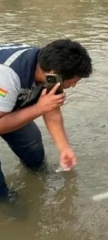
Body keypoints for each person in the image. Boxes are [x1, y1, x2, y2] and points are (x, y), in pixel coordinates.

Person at [0, 39, 92, 203]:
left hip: (9, 104)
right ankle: (5, 202)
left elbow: (52, 110)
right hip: (4, 95)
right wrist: (38, 108)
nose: (74, 86)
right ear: (52, 73)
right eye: (72, 82)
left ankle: (36, 173)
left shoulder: (52, 71)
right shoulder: (7, 75)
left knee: (33, 148)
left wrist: (64, 148)